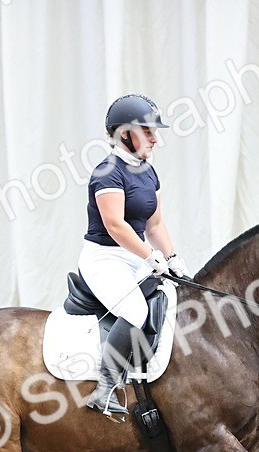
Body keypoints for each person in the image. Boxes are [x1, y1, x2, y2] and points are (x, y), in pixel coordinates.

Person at [79, 94, 188, 416]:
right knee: (136, 310)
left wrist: (172, 257)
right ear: (124, 133)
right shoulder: (107, 173)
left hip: (137, 255)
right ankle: (105, 387)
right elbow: (115, 225)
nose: (155, 138)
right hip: (105, 258)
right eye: (148, 131)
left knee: (177, 302)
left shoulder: (147, 171)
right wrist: (150, 256)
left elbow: (154, 223)